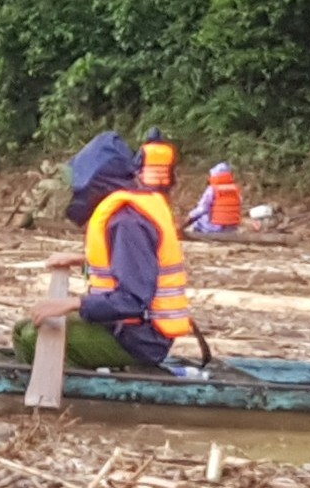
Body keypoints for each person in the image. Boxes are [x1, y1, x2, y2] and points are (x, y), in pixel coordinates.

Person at [14, 130, 196, 371]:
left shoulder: (127, 222)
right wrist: (82, 260)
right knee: (22, 329)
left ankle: (65, 396)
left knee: (32, 336)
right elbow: (129, 264)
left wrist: (71, 304)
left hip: (138, 338)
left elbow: (132, 299)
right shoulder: (126, 214)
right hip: (127, 327)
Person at [187, 162, 246, 234]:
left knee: (197, 221)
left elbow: (203, 208)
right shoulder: (235, 189)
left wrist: (191, 215)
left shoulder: (212, 189)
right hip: (232, 226)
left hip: (215, 227)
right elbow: (239, 202)